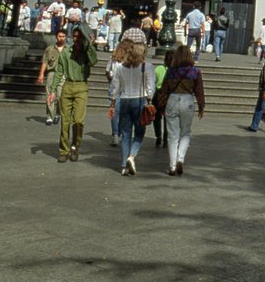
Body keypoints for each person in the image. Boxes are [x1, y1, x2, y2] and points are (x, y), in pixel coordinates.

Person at [108, 29, 155, 175]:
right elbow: (150, 86)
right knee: (140, 132)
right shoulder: (146, 66)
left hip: (125, 99)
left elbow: (115, 86)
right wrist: (149, 98)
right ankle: (131, 156)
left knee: (126, 133)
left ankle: (123, 165)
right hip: (140, 100)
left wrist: (113, 102)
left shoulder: (121, 67)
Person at [156, 44, 206, 175]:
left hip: (172, 100)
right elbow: (199, 90)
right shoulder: (195, 72)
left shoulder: (171, 71)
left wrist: (160, 106)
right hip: (188, 101)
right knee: (185, 132)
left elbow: (164, 90)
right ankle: (180, 159)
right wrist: (201, 105)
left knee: (172, 136)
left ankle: (172, 166)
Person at [50, 25, 97, 162]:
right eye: (74, 36)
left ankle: (75, 146)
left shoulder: (86, 52)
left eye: (79, 37)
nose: (76, 39)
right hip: (67, 86)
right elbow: (59, 71)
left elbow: (94, 61)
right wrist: (52, 90)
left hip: (81, 86)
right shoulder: (65, 52)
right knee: (65, 122)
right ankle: (63, 150)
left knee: (78, 121)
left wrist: (89, 46)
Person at [37, 29, 67, 125]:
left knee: (60, 96)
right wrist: (41, 74)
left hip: (63, 75)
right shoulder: (50, 49)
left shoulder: (68, 49)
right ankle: (49, 116)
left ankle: (58, 114)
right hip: (52, 73)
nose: (61, 38)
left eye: (63, 36)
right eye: (59, 36)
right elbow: (45, 62)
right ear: (56, 37)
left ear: (65, 37)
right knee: (50, 94)